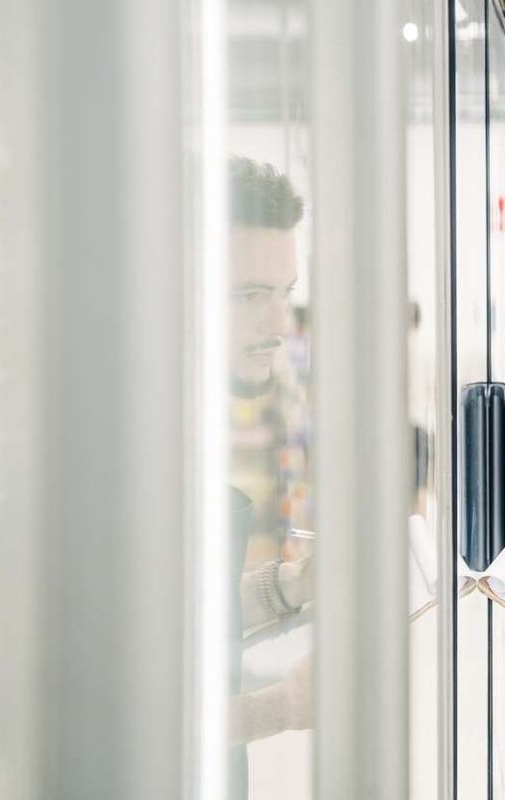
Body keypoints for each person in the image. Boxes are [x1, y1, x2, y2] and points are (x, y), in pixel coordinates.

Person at [221, 157, 315, 793]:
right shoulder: (113, 469)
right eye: (250, 295)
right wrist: (280, 707)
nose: (278, 325)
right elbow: (109, 713)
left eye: (284, 296)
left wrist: (290, 586)